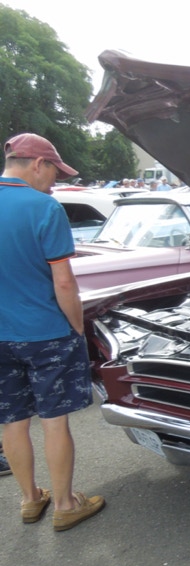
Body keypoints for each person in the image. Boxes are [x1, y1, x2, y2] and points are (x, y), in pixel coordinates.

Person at [0, 133, 105, 531]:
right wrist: (77, 327)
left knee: (12, 421)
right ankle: (64, 504)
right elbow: (63, 282)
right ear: (37, 164)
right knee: (54, 421)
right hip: (45, 333)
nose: (55, 181)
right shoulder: (44, 207)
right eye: (54, 172)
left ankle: (30, 499)